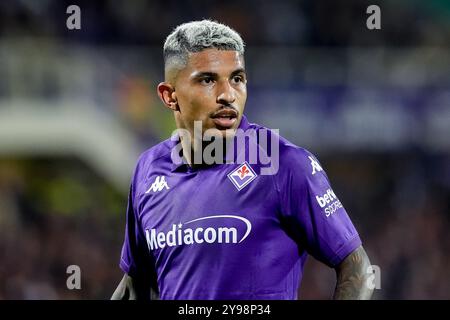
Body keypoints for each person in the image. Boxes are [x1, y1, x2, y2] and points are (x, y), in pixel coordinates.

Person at [111, 20, 373, 300]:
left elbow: (357, 269)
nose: (227, 95)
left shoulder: (283, 164)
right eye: (208, 80)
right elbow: (135, 284)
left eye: (237, 78)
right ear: (169, 95)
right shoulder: (148, 169)